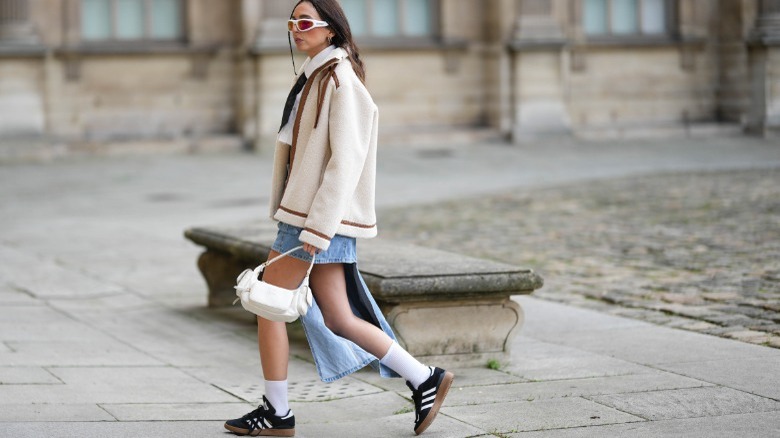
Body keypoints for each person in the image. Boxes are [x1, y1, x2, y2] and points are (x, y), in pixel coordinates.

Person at [223, 1, 454, 436]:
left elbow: (346, 161)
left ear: (330, 30)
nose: (296, 29)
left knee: (268, 305)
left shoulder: (339, 80)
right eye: (292, 22)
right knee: (338, 316)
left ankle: (278, 412)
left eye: (305, 22)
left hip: (317, 218)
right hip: (314, 216)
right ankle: (424, 377)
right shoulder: (317, 75)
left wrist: (317, 227)